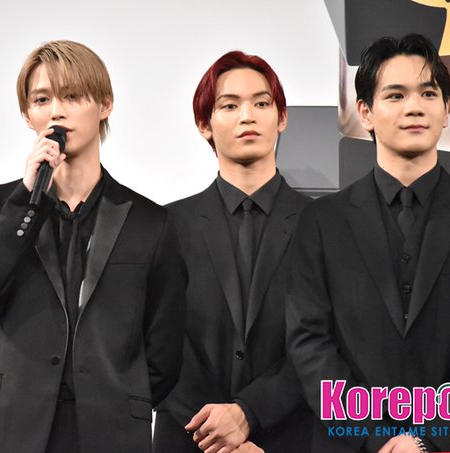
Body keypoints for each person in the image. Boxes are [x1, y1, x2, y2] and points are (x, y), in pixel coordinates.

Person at [0, 40, 186, 453]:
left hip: (109, 431)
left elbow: (164, 351)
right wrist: (28, 201)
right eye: (42, 99)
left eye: (73, 96)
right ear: (28, 115)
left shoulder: (150, 222)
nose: (56, 112)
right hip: (7, 429)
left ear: (105, 104)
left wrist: (116, 396)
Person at [286, 34, 450, 452]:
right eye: (395, 95)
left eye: (428, 93)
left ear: (446, 109)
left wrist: (428, 440)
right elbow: (310, 343)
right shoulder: (321, 221)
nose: (414, 107)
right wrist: (374, 437)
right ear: (365, 113)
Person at [154, 51, 312, 453]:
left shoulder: (326, 225)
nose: (247, 116)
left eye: (261, 103)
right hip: (190, 439)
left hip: (293, 436)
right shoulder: (164, 226)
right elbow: (150, 343)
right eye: (229, 105)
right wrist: (218, 434)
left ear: (282, 117)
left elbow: (331, 341)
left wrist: (249, 413)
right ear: (204, 124)